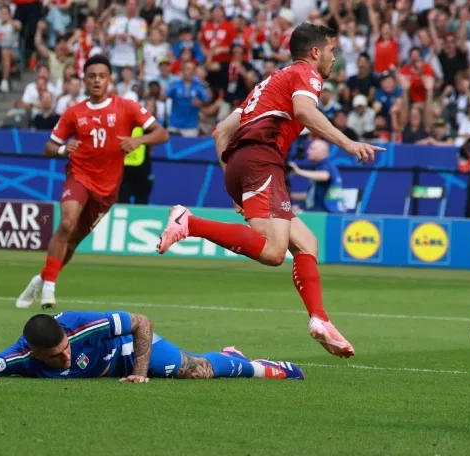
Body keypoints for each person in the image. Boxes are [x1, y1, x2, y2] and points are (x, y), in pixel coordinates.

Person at [155, 23, 383, 358]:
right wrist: (347, 142)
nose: (335, 59)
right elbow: (305, 112)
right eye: (332, 51)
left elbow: (221, 132)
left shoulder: (268, 83)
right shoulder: (307, 73)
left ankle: (319, 319)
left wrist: (235, 185)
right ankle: (189, 223)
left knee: (307, 243)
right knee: (274, 252)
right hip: (263, 159)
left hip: (240, 163)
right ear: (315, 52)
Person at [15, 54, 170, 310]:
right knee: (66, 223)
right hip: (79, 176)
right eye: (92, 76)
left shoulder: (127, 106)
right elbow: (48, 148)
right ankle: (50, 289)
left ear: (109, 80)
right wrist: (64, 149)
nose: (97, 81)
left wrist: (138, 140)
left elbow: (161, 133)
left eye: (102, 76)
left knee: (74, 240)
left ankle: (42, 279)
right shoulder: (74, 113)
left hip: (107, 188)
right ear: (84, 81)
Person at [0, 311, 304, 382]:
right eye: (56, 356)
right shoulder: (17, 357)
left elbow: (142, 322)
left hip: (123, 351)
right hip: (109, 366)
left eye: (66, 347)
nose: (66, 355)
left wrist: (138, 372)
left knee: (194, 371)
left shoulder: (82, 326)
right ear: (35, 354)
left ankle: (257, 366)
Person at [288, 139, 345, 213]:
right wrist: (289, 195)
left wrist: (299, 172)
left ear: (323, 151)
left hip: (328, 214)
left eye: (312, 149)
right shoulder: (319, 167)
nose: (308, 151)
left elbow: (325, 176)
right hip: (321, 211)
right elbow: (310, 196)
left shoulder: (326, 164)